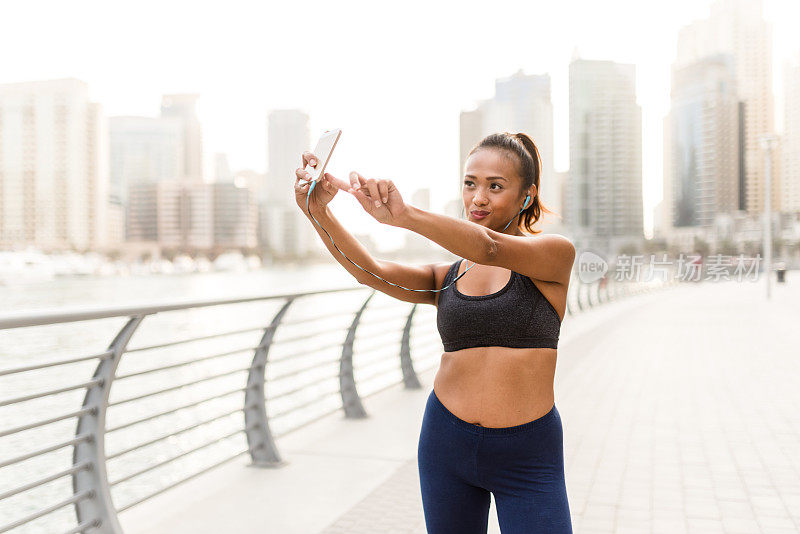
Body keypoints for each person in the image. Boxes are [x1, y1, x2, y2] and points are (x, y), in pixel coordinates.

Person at [294, 131, 575, 533]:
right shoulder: (447, 278)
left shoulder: (553, 256)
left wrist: (404, 216)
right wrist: (316, 212)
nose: (478, 197)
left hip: (527, 457)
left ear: (526, 196)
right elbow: (370, 272)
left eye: (495, 186)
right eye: (470, 183)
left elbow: (489, 248)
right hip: (446, 445)